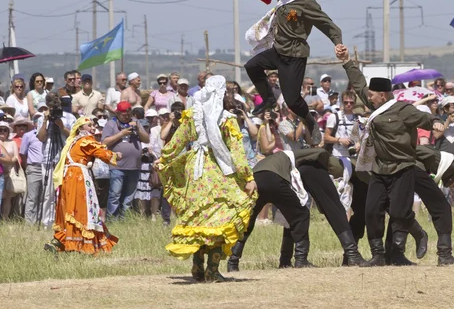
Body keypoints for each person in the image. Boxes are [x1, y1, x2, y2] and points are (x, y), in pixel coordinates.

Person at [335, 45, 443, 267]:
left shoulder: (403, 110)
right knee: (372, 211)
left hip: (402, 167)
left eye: (372, 96)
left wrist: (436, 122)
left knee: (398, 212)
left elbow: (425, 119)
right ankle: (378, 256)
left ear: (382, 95)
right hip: (378, 169)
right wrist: (346, 61)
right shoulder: (374, 103)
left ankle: (419, 233)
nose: (369, 98)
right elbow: (359, 83)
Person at [157, 75, 258, 282]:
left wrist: (163, 159)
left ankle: (197, 266)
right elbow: (237, 154)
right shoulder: (227, 119)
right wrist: (248, 177)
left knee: (198, 217)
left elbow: (175, 143)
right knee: (222, 218)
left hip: (195, 170)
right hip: (220, 172)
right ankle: (212, 270)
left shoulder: (191, 116)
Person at [244, 0, 343, 147]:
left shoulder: (306, 3)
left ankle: (309, 120)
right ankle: (268, 98)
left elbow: (327, 25)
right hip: (278, 51)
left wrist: (337, 43)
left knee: (292, 100)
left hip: (295, 56)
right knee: (252, 66)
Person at [228, 148, 365, 271]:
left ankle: (233, 262)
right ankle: (301, 259)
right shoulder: (302, 157)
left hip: (256, 179)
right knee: (301, 215)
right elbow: (320, 153)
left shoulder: (280, 159)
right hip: (275, 177)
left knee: (248, 223)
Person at [43, 117, 121, 255]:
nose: (93, 128)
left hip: (68, 177)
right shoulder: (86, 140)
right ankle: (80, 244)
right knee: (83, 209)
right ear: (80, 128)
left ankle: (63, 241)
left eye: (93, 125)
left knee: (70, 209)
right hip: (78, 177)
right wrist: (116, 156)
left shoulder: (72, 141)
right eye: (89, 125)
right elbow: (102, 153)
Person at [102, 101, 149, 218]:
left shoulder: (135, 122)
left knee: (128, 197)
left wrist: (138, 128)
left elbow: (146, 139)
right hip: (117, 166)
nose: (127, 117)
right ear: (118, 113)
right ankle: (112, 220)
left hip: (134, 166)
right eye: (124, 115)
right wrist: (121, 134)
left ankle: (125, 220)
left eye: (129, 114)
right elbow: (104, 142)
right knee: (115, 195)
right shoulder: (111, 124)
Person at [37, 93, 77, 227]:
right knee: (48, 193)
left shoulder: (69, 117)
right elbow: (41, 137)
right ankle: (47, 222)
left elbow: (73, 136)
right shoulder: (43, 117)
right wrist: (45, 121)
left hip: (64, 157)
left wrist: (61, 126)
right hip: (48, 158)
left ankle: (65, 220)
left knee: (65, 192)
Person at [20, 114, 45, 225]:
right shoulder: (28, 135)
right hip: (34, 167)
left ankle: (41, 221)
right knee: (32, 197)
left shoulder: (49, 135)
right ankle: (30, 223)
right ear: (34, 123)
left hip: (46, 167)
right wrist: (28, 167)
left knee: (44, 196)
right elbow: (23, 154)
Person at [0, 121, 20, 221]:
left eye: (5, 130)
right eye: (0, 129)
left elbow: (16, 157)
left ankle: (5, 219)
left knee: (8, 196)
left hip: (9, 172)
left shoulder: (12, 142)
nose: (2, 132)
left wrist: (9, 162)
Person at [323, 91, 357, 158]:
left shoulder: (358, 118)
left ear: (355, 103)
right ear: (342, 102)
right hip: (338, 154)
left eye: (351, 102)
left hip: (354, 155)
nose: (349, 104)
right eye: (346, 102)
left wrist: (359, 143)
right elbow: (326, 138)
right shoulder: (334, 116)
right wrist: (340, 140)